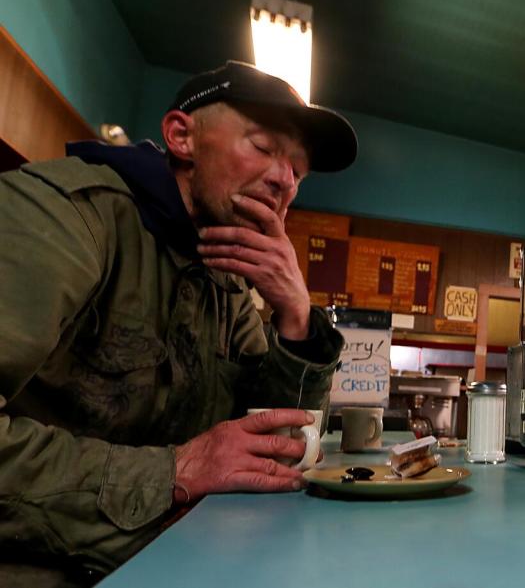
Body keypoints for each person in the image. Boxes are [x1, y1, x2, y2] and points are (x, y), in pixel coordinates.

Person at [0, 61, 357, 586]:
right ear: (181, 136)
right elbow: (197, 467)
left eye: (298, 172)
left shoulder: (227, 278)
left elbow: (281, 447)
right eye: (262, 148)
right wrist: (174, 474)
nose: (284, 179)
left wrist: (296, 317)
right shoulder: (63, 215)